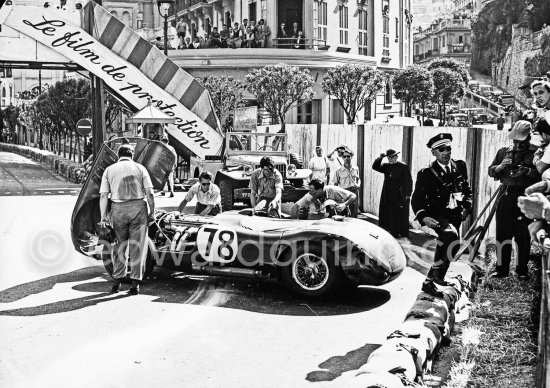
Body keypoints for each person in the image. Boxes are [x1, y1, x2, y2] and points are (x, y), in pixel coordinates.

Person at [411, 133, 473, 297]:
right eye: (441, 150)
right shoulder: (426, 173)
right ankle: (438, 276)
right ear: (434, 153)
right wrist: (423, 217)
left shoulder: (460, 166)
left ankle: (429, 282)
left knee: (450, 246)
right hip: (437, 214)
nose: (446, 152)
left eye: (448, 149)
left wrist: (467, 205)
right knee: (449, 235)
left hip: (455, 215)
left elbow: (467, 190)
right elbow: (416, 199)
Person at [99, 145, 155, 295]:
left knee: (119, 247)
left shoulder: (109, 170)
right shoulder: (140, 168)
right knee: (138, 247)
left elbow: (104, 195)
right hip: (138, 208)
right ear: (132, 155)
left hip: (117, 209)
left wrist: (103, 217)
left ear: (119, 155)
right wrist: (153, 212)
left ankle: (116, 284)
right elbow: (150, 193)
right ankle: (135, 285)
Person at [488, 120, 540, 279]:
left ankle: (522, 270)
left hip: (526, 197)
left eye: (521, 141)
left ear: (529, 138)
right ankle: (501, 270)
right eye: (515, 141)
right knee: (503, 234)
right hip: (506, 195)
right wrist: (500, 167)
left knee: (523, 235)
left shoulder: (537, 153)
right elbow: (491, 171)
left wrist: (527, 171)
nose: (517, 144)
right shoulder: (503, 151)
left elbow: (542, 176)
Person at [372, 149, 413, 237]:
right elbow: (375, 167)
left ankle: (398, 232)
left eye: (392, 157)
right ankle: (389, 230)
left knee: (398, 213)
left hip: (399, 194)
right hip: (387, 193)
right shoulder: (386, 166)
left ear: (396, 157)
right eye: (388, 157)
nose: (390, 159)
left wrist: (408, 194)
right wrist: (380, 158)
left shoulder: (403, 166)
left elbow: (409, 181)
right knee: (388, 212)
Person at [291, 178, 356, 219]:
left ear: (319, 190)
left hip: (342, 214)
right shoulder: (310, 194)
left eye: (312, 191)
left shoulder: (334, 190)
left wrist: (344, 205)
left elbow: (353, 195)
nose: (310, 193)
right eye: (309, 190)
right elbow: (294, 208)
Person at [334, 149, 361, 217]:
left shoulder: (355, 168)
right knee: (343, 214)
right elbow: (335, 184)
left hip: (354, 192)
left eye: (348, 156)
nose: (347, 158)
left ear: (351, 157)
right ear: (342, 158)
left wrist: (358, 185)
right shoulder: (338, 170)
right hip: (344, 193)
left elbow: (358, 179)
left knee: (354, 214)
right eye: (345, 156)